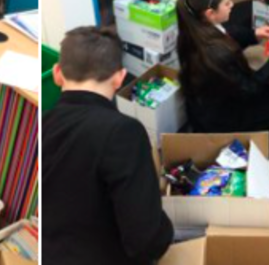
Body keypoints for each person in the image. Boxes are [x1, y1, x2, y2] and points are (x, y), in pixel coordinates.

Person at [43, 27, 173, 265]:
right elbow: (147, 242)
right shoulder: (124, 133)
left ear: (57, 74)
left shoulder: (42, 125)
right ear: (120, 77)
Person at [177, 0, 269, 136]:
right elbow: (249, 88)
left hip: (201, 105)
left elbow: (227, 32)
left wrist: (254, 34)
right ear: (210, 13)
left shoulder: (192, 29)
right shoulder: (219, 54)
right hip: (220, 118)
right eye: (227, 2)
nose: (233, 5)